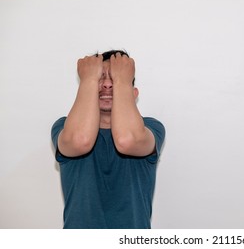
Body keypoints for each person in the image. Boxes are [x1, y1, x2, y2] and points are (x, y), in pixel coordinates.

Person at [51, 50, 165, 229]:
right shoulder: (65, 127)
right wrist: (88, 79)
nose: (106, 85)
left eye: (115, 79)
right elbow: (81, 140)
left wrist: (121, 83)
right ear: (85, 91)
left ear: (133, 93)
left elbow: (126, 141)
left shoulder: (151, 128)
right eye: (99, 78)